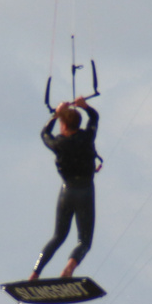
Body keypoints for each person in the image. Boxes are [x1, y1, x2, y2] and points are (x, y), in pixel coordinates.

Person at [29, 96, 100, 280]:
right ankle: (69, 268)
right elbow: (94, 118)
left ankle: (35, 273)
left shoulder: (58, 144)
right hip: (85, 191)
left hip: (67, 192)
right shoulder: (87, 137)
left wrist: (55, 114)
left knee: (58, 236)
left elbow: (44, 134)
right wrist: (85, 106)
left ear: (63, 125)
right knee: (84, 241)